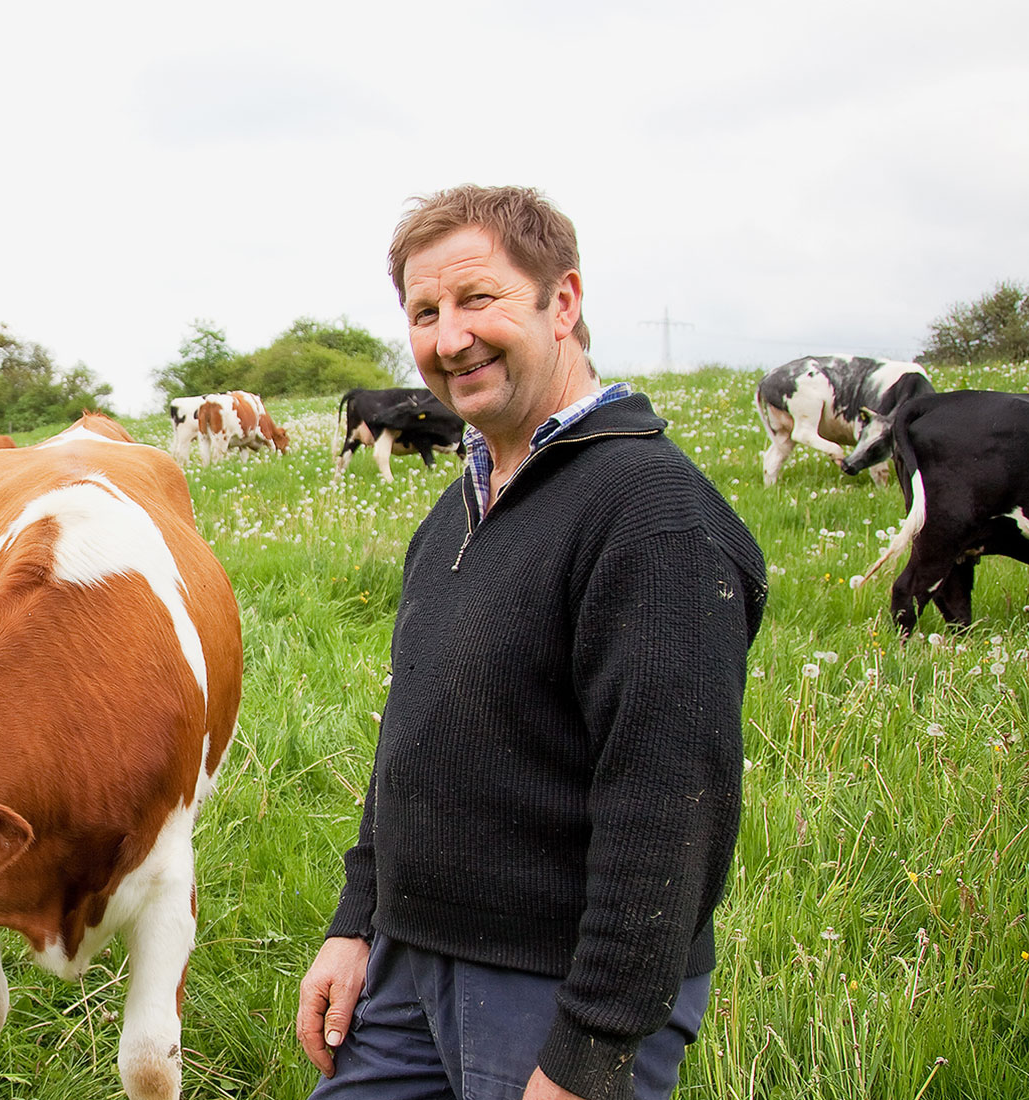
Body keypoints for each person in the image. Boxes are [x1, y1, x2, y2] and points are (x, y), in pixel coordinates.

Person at [295, 186, 767, 1100]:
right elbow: (412, 740)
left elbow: (672, 807)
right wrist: (358, 923)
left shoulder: (651, 515)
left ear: (564, 302)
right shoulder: (457, 511)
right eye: (424, 313)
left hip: (549, 989)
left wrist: (591, 1048)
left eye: (479, 299)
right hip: (408, 964)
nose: (449, 339)